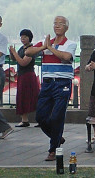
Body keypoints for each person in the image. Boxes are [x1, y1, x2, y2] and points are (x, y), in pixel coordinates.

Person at [25, 16, 77, 161]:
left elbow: (66, 57)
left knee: (57, 117)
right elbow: (28, 52)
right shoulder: (46, 43)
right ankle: (57, 137)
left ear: (66, 27)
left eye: (60, 24)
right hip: (47, 83)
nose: (57, 26)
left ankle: (53, 149)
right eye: (55, 24)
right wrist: (44, 47)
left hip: (63, 83)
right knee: (40, 116)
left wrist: (51, 49)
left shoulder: (70, 44)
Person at [9, 29, 39, 127]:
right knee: (22, 97)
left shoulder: (31, 49)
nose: (23, 39)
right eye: (21, 37)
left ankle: (40, 119)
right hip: (21, 75)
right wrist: (11, 53)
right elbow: (15, 59)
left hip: (28, 75)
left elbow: (23, 62)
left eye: (25, 37)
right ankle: (24, 119)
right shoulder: (22, 48)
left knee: (32, 97)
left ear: (29, 38)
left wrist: (15, 53)